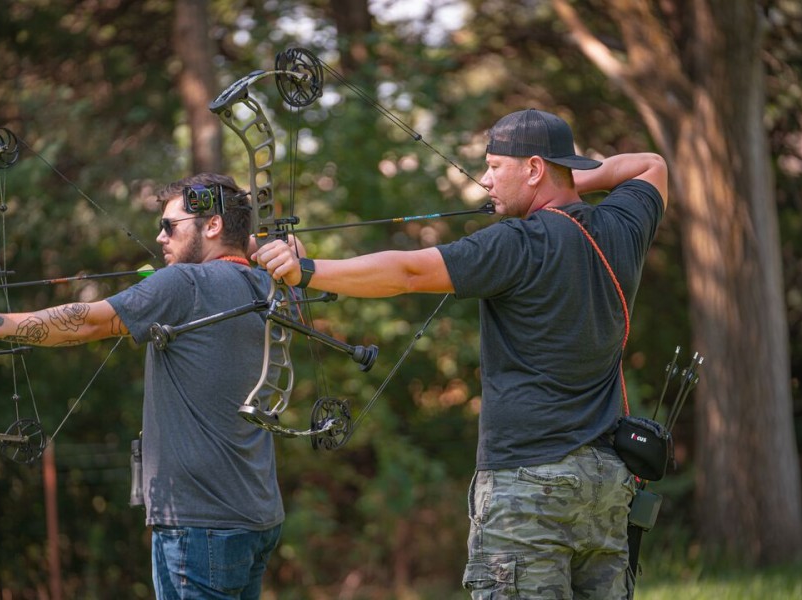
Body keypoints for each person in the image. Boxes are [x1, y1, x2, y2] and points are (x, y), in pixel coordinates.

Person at [253, 108, 668, 599]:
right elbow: (651, 165)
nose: (485, 180)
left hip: (528, 485)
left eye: (495, 166)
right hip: (604, 486)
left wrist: (306, 270)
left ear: (533, 169)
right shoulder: (622, 227)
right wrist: (567, 172)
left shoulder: (519, 243)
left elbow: (407, 272)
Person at [0, 173, 285, 600]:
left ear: (212, 225)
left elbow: (89, 320)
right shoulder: (269, 284)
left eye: (170, 225)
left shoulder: (184, 284)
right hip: (257, 516)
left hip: (199, 525)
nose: (160, 237)